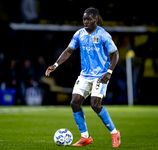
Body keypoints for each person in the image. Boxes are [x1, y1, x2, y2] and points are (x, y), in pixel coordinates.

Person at [45, 7, 121, 147]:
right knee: (74, 102)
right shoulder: (79, 34)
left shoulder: (103, 35)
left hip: (100, 75)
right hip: (85, 75)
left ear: (96, 19)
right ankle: (85, 136)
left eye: (89, 19)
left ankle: (114, 132)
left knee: (95, 104)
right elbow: (68, 51)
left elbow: (115, 54)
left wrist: (109, 72)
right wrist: (55, 65)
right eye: (84, 19)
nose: (86, 22)